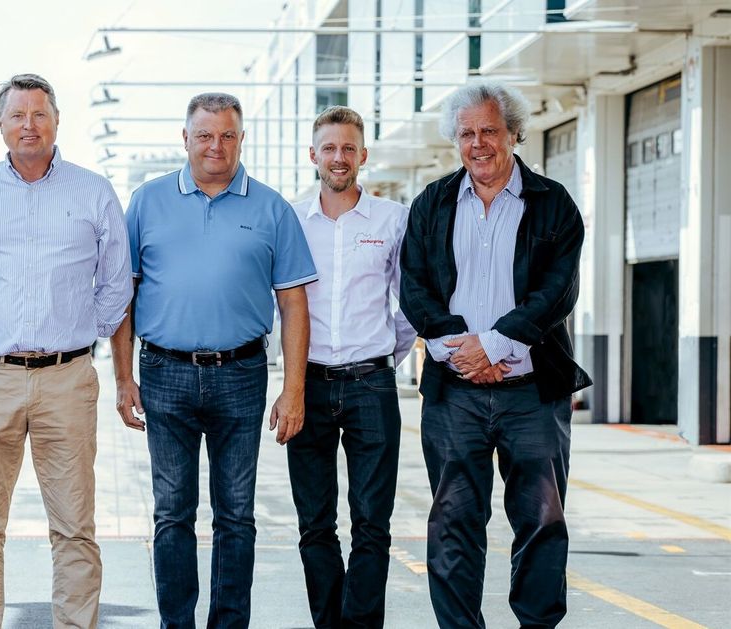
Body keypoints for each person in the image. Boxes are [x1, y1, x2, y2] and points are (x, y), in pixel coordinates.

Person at [111, 92, 318, 628]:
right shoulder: (147, 202)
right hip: (163, 374)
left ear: (241, 139)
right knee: (172, 514)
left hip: (242, 375)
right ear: (184, 139)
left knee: (235, 517)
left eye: (227, 135)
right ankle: (175, 624)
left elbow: (294, 305)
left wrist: (293, 390)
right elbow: (123, 297)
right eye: (204, 135)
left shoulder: (273, 208)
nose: (215, 146)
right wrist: (122, 377)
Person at [0, 73, 132, 629]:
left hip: (67, 378)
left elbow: (117, 284)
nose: (29, 124)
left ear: (56, 121)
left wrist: (78, 333)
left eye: (39, 114)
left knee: (74, 524)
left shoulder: (93, 191)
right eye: (17, 115)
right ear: (0, 124)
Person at [399, 80, 592, 628]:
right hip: (453, 392)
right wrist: (458, 349)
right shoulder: (432, 203)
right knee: (454, 522)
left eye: (489, 131)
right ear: (454, 139)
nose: (478, 143)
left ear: (513, 134)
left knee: (541, 523)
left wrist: (494, 344)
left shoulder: (553, 203)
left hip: (532, 394)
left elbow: (559, 289)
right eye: (466, 133)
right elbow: (413, 285)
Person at [288, 105, 416, 629]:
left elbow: (408, 303)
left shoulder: (392, 219)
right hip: (308, 386)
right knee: (315, 524)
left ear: (363, 155)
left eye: (348, 148)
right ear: (313, 154)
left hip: (372, 385)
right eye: (329, 148)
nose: (338, 158)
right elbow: (278, 302)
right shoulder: (290, 219)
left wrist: (384, 357)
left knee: (371, 525)